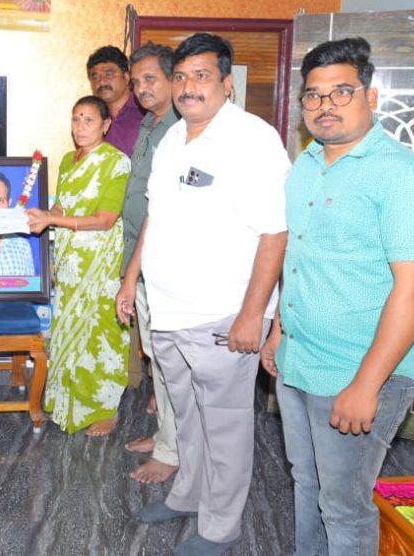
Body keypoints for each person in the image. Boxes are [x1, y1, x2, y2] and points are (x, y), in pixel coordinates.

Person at [261, 38, 414, 555]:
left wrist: (367, 385)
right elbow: (297, 258)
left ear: (372, 96)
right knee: (306, 482)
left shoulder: (405, 178)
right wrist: (278, 330)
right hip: (298, 360)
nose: (325, 105)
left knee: (344, 504)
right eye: (313, 95)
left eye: (341, 91)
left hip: (358, 371)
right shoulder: (305, 165)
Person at [134, 33, 289, 556]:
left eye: (201, 76)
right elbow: (155, 216)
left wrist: (253, 315)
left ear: (227, 84)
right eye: (180, 77)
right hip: (168, 310)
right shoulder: (172, 138)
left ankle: (221, 527)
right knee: (186, 415)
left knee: (224, 426)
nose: (188, 87)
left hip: (222, 314)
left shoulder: (252, 139)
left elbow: (275, 232)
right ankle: (187, 495)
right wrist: (133, 278)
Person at [27, 96, 131, 437]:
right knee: (69, 328)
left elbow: (105, 219)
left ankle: (105, 410)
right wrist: (44, 216)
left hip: (100, 261)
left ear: (106, 124)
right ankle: (67, 400)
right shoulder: (69, 160)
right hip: (70, 260)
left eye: (89, 120)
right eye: (76, 119)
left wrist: (53, 220)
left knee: (100, 333)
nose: (80, 127)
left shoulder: (117, 162)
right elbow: (61, 207)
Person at [114, 43, 180, 484]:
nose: (140, 88)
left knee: (170, 359)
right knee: (156, 354)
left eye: (150, 79)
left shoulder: (181, 127)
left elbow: (164, 207)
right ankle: (165, 437)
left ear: (174, 78)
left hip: (162, 261)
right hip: (139, 255)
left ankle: (173, 451)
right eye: (136, 81)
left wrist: (135, 269)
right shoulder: (148, 124)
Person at [87, 45, 147, 390]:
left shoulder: (144, 119)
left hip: (140, 225)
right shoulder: (94, 118)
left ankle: (141, 382)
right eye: (95, 76)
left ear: (127, 77)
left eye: (109, 73)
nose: (101, 81)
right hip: (104, 230)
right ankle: (117, 377)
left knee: (142, 303)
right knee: (116, 300)